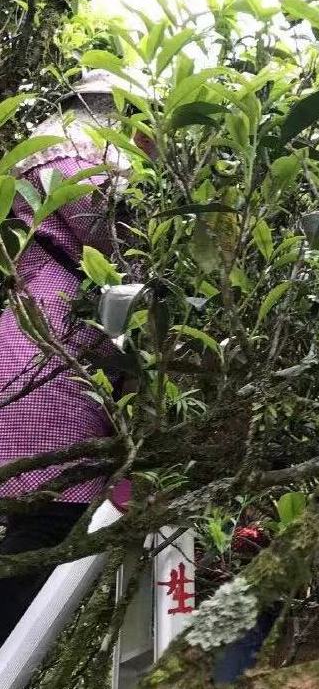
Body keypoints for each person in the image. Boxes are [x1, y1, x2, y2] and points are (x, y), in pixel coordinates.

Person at [0, 70, 132, 642]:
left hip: (20, 359)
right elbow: (135, 263)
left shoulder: (28, 155)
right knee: (43, 541)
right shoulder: (87, 158)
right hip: (53, 378)